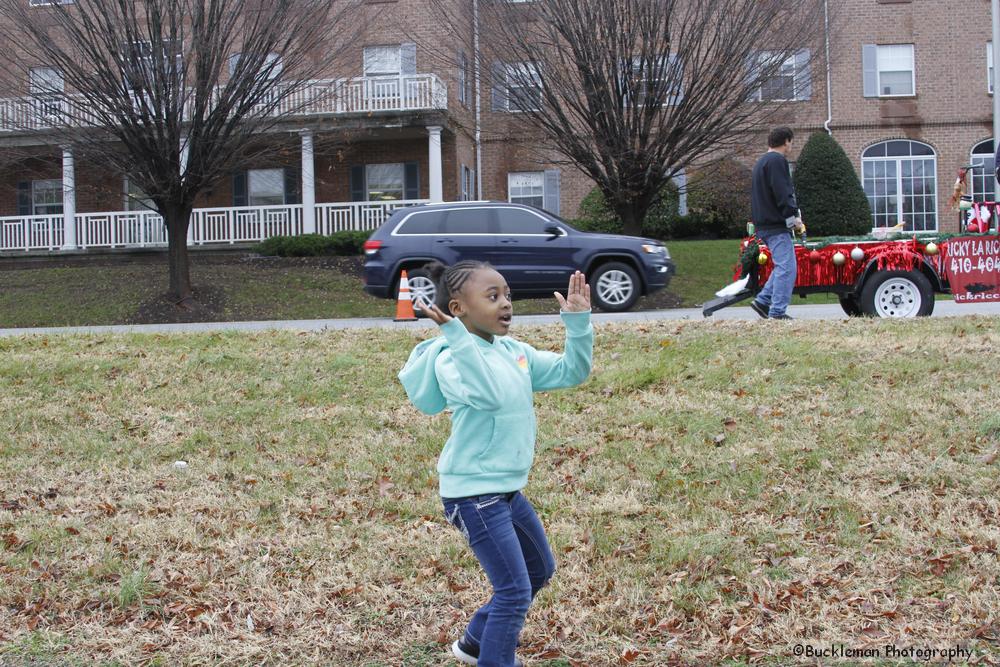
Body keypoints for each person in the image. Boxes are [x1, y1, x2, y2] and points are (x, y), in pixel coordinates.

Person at [398, 260, 593, 667]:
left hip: (504, 491)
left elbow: (571, 372)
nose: (506, 304)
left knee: (538, 569)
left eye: (507, 295)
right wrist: (454, 337)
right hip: (473, 494)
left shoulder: (513, 351)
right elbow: (485, 395)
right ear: (458, 309)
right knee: (514, 591)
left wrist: (577, 323)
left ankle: (473, 643)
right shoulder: (451, 360)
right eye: (493, 297)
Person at [749, 126, 804, 320]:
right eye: (791, 142)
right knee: (787, 268)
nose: (791, 146)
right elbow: (783, 192)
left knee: (783, 266)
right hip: (775, 223)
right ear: (787, 141)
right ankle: (777, 312)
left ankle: (763, 301)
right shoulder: (777, 161)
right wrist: (793, 218)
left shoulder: (761, 162)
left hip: (763, 223)